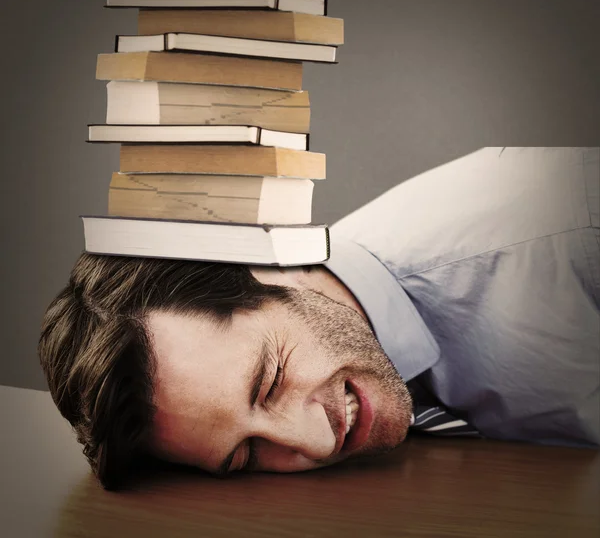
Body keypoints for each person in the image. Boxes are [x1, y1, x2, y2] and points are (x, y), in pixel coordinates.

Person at [39, 147, 600, 490]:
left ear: (268, 264)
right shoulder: (336, 312)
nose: (312, 441)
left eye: (270, 380)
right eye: (246, 455)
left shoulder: (571, 238)